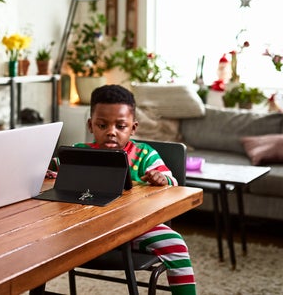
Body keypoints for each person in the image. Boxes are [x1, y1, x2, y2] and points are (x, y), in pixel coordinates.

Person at [69, 84, 197, 295]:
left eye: (120, 126)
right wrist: (50, 173)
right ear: (91, 125)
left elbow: (173, 181)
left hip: (135, 228)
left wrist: (161, 178)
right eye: (102, 126)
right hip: (85, 230)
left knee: (176, 245)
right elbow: (52, 170)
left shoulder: (145, 154)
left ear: (133, 127)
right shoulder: (77, 152)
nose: (111, 132)